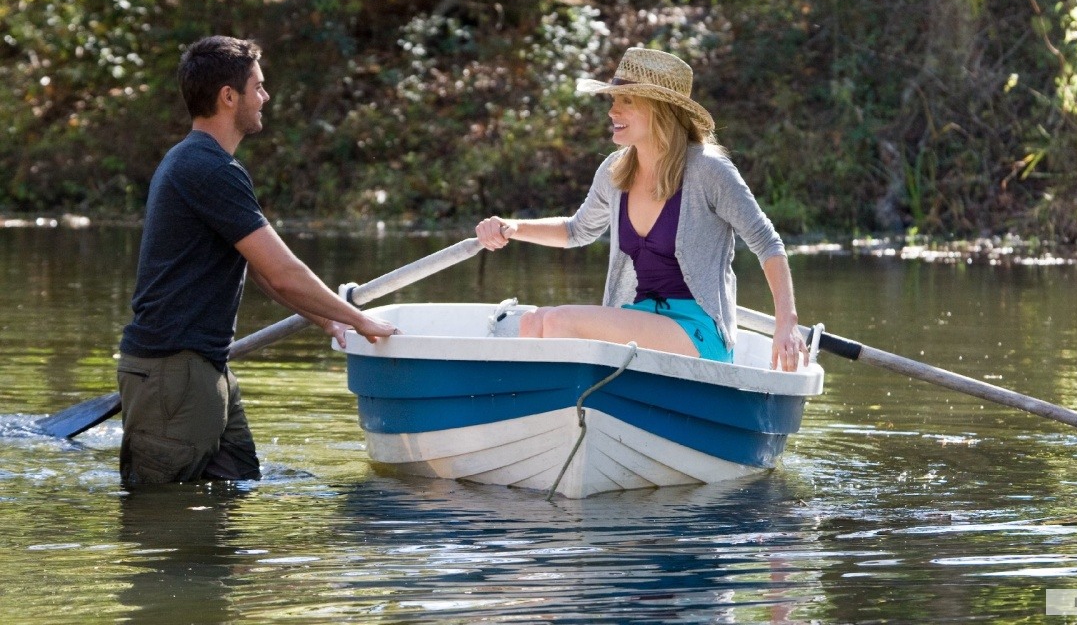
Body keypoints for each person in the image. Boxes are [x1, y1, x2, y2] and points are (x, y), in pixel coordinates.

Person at [117, 35, 398, 485]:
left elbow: (264, 271)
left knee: (237, 490)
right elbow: (286, 274)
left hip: (204, 370)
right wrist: (359, 320)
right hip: (175, 374)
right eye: (259, 87)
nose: (265, 98)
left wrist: (327, 321)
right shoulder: (207, 168)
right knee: (165, 519)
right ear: (229, 97)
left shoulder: (200, 162)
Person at [476, 47, 809, 371]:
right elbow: (577, 230)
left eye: (627, 100)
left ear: (660, 109)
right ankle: (548, 420)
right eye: (613, 100)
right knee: (534, 322)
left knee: (557, 320)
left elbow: (767, 242)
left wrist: (786, 324)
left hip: (697, 332)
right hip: (641, 319)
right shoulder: (616, 170)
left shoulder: (709, 170)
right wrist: (514, 228)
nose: (612, 111)